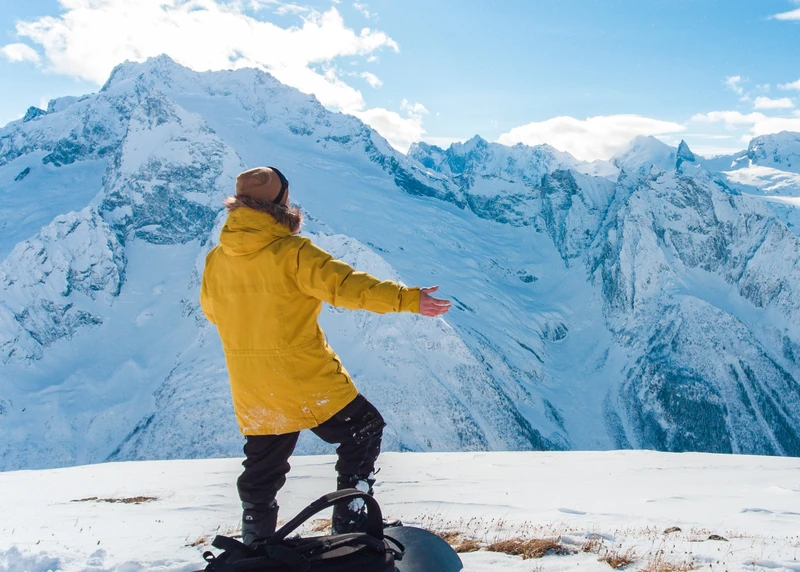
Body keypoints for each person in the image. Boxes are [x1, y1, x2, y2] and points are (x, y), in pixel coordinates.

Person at [200, 166, 451, 547]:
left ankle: (256, 541)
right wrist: (409, 298)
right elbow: (349, 288)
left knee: (263, 466)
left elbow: (212, 311)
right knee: (363, 429)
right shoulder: (293, 252)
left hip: (250, 382)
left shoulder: (218, 259)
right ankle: (350, 523)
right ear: (280, 201)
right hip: (303, 377)